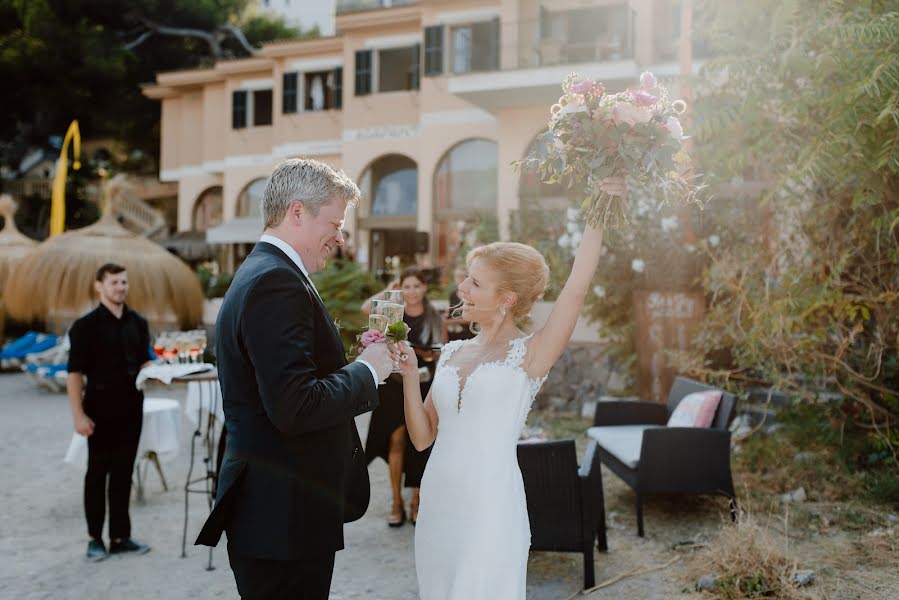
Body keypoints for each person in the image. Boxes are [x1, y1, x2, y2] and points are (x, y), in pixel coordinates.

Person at [398, 178, 624, 599]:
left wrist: (599, 210)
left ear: (506, 298)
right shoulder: (450, 354)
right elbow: (422, 437)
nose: (461, 288)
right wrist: (411, 376)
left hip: (491, 504)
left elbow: (575, 291)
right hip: (439, 502)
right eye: (466, 278)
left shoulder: (530, 354)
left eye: (474, 283)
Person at [194, 158, 395, 599]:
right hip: (282, 517)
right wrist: (368, 370)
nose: (339, 238)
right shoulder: (276, 282)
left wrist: (356, 363)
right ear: (298, 211)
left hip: (278, 513)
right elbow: (295, 405)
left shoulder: (264, 272)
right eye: (336, 223)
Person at [67, 263, 154, 562]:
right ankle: (95, 539)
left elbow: (145, 363)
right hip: (99, 410)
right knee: (97, 474)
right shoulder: (84, 326)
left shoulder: (138, 322)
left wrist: (167, 370)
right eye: (115, 282)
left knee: (124, 474)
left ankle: (120, 536)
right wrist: (78, 416)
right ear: (99, 286)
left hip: (132, 409)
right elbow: (74, 374)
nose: (121, 287)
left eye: (124, 282)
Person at [361, 267, 444, 527]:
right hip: (393, 385)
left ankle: (416, 500)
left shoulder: (434, 318)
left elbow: (443, 351)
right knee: (395, 439)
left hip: (423, 382)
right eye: (406, 286)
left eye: (416, 286)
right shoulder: (392, 311)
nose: (411, 292)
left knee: (419, 442)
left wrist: (431, 356)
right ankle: (396, 501)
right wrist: (391, 288)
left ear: (424, 288)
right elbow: (366, 308)